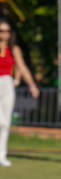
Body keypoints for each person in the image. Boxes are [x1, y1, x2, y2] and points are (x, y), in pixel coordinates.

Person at [0, 18, 39, 167]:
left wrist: (31, 85)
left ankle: (2, 154)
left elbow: (21, 67)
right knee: (0, 121)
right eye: (1, 31)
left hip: (7, 83)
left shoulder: (14, 49)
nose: (4, 34)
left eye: (7, 31)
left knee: (6, 123)